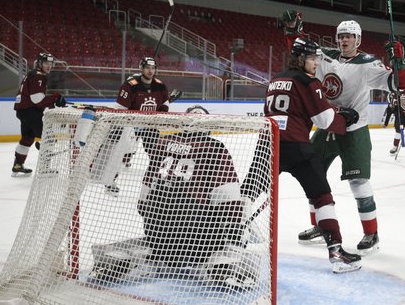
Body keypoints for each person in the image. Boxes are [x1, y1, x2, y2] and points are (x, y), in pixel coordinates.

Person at [90, 105, 260, 286]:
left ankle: (131, 258)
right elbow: (229, 199)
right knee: (235, 229)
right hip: (196, 240)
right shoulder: (214, 148)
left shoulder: (162, 143)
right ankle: (222, 266)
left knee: (161, 214)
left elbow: (144, 196)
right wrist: (236, 230)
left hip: (158, 236)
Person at [295, 20, 405, 256]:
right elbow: (300, 56)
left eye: (349, 36)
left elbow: (402, 84)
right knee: (312, 175)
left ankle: (372, 233)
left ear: (358, 40)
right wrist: (293, 33)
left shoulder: (368, 64)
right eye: (341, 36)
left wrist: (401, 63)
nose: (344, 40)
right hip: (328, 127)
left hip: (354, 130)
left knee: (359, 183)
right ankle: (320, 226)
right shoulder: (325, 56)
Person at [266, 37, 362, 273]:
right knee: (322, 197)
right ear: (300, 58)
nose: (316, 63)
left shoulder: (275, 80)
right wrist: (343, 119)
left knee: (250, 191)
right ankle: (336, 251)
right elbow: (325, 120)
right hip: (297, 147)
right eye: (311, 58)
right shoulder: (308, 81)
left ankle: (228, 236)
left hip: (269, 145)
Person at [104, 57, 170, 195]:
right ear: (141, 69)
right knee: (121, 153)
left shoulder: (160, 85)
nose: (150, 71)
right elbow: (120, 108)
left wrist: (161, 113)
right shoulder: (130, 85)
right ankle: (110, 182)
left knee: (156, 154)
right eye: (147, 68)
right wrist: (123, 126)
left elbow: (165, 103)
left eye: (153, 68)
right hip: (131, 125)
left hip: (150, 126)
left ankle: (155, 181)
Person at [11, 53, 66, 177]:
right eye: (46, 63)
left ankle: (18, 165)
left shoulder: (32, 74)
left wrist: (53, 99)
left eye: (51, 64)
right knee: (49, 137)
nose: (49, 66)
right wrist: (55, 97)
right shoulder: (38, 77)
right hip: (30, 111)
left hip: (22, 111)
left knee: (27, 139)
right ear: (40, 63)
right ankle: (44, 169)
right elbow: (37, 100)